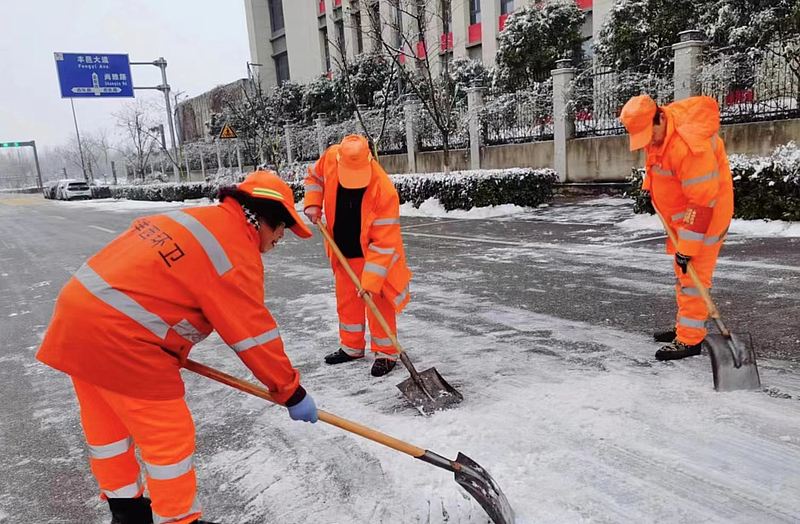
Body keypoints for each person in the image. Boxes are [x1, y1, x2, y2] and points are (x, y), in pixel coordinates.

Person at [36, 171, 319, 524]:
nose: (282, 237)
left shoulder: (189, 219)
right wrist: (291, 391)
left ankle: (127, 513)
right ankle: (178, 519)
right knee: (168, 437)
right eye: (283, 228)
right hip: (124, 340)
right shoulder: (233, 252)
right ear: (265, 218)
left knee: (107, 428)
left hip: (77, 322)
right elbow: (253, 336)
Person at [620, 95, 734, 361]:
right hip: (684, 217)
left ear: (659, 118)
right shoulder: (662, 131)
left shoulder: (690, 146)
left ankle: (690, 339)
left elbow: (702, 201)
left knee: (694, 278)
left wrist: (688, 247)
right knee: (684, 274)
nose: (648, 142)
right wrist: (650, 188)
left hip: (706, 217)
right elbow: (656, 162)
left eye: (650, 134)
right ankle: (686, 325)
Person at [303, 135, 412, 377]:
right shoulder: (330, 158)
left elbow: (384, 243)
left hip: (373, 253)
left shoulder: (384, 190)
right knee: (346, 300)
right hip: (341, 247)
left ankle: (386, 353)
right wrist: (313, 203)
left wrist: (370, 283)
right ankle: (351, 347)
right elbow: (313, 178)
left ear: (369, 161)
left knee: (377, 301)